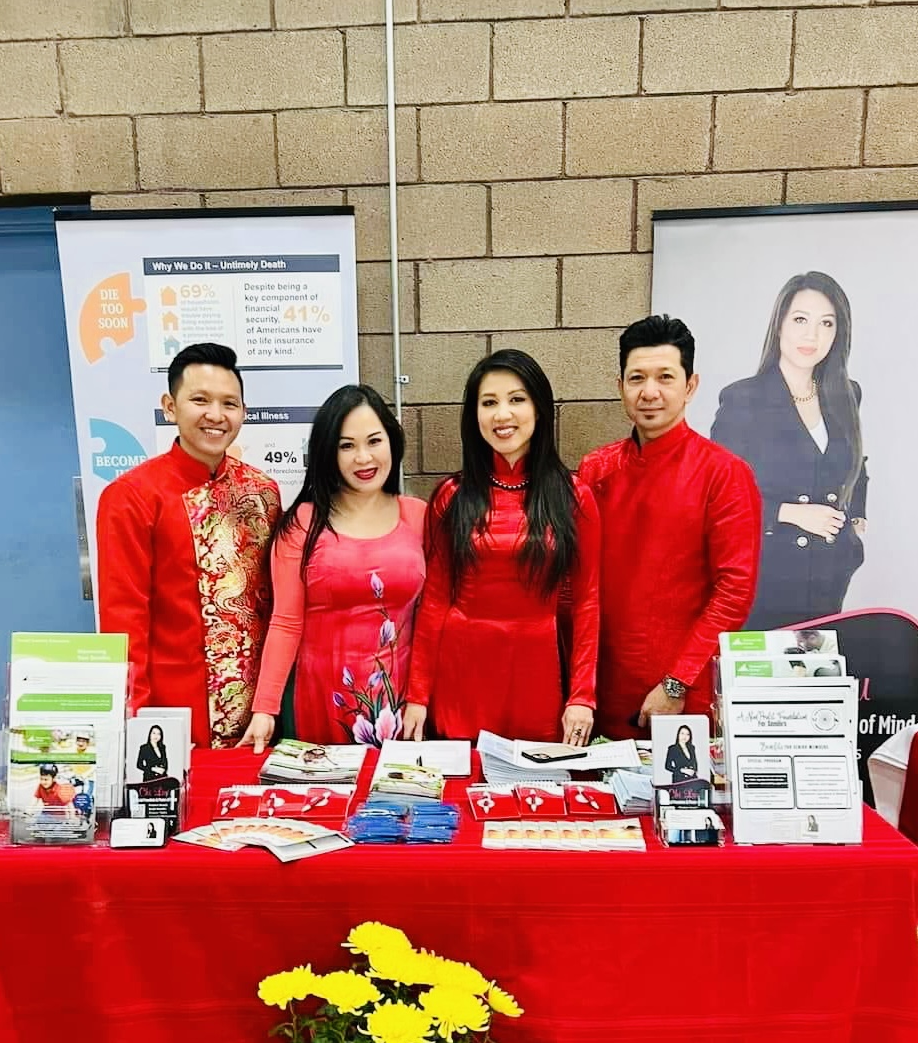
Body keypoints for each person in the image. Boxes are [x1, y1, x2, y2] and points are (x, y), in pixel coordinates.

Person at [403, 350, 600, 745]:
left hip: (537, 673)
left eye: (516, 399)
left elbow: (587, 601)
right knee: (463, 777)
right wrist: (418, 696)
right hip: (462, 670)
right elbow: (436, 600)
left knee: (536, 779)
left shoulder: (573, 496)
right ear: (474, 415)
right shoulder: (451, 496)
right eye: (489, 402)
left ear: (539, 408)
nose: (502, 414)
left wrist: (582, 696)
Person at [579, 315, 761, 738]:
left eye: (665, 377)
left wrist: (677, 681)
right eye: (636, 378)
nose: (649, 392)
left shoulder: (724, 473)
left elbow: (734, 592)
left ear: (690, 386)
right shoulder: (596, 469)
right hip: (600, 688)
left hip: (681, 694)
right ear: (620, 386)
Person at [97, 343, 281, 748]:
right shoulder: (132, 496)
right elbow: (124, 621)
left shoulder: (262, 492)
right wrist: (135, 722)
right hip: (174, 713)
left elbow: (276, 607)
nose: (216, 415)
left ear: (243, 412)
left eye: (229, 403)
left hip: (260, 712)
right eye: (200, 400)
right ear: (170, 407)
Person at [240, 385, 426, 752]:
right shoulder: (303, 523)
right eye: (346, 446)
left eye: (374, 441)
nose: (363, 457)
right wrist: (265, 708)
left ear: (392, 441)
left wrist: (422, 695)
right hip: (319, 700)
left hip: (402, 705)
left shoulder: (419, 516)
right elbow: (285, 622)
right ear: (328, 452)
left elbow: (432, 617)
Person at [710, 271, 867, 629]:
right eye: (800, 319)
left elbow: (857, 460)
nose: (812, 335)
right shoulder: (743, 399)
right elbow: (718, 495)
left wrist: (857, 516)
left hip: (829, 575)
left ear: (838, 333)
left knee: (822, 662)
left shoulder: (846, 393)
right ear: (779, 325)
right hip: (766, 577)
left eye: (826, 323)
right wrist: (789, 513)